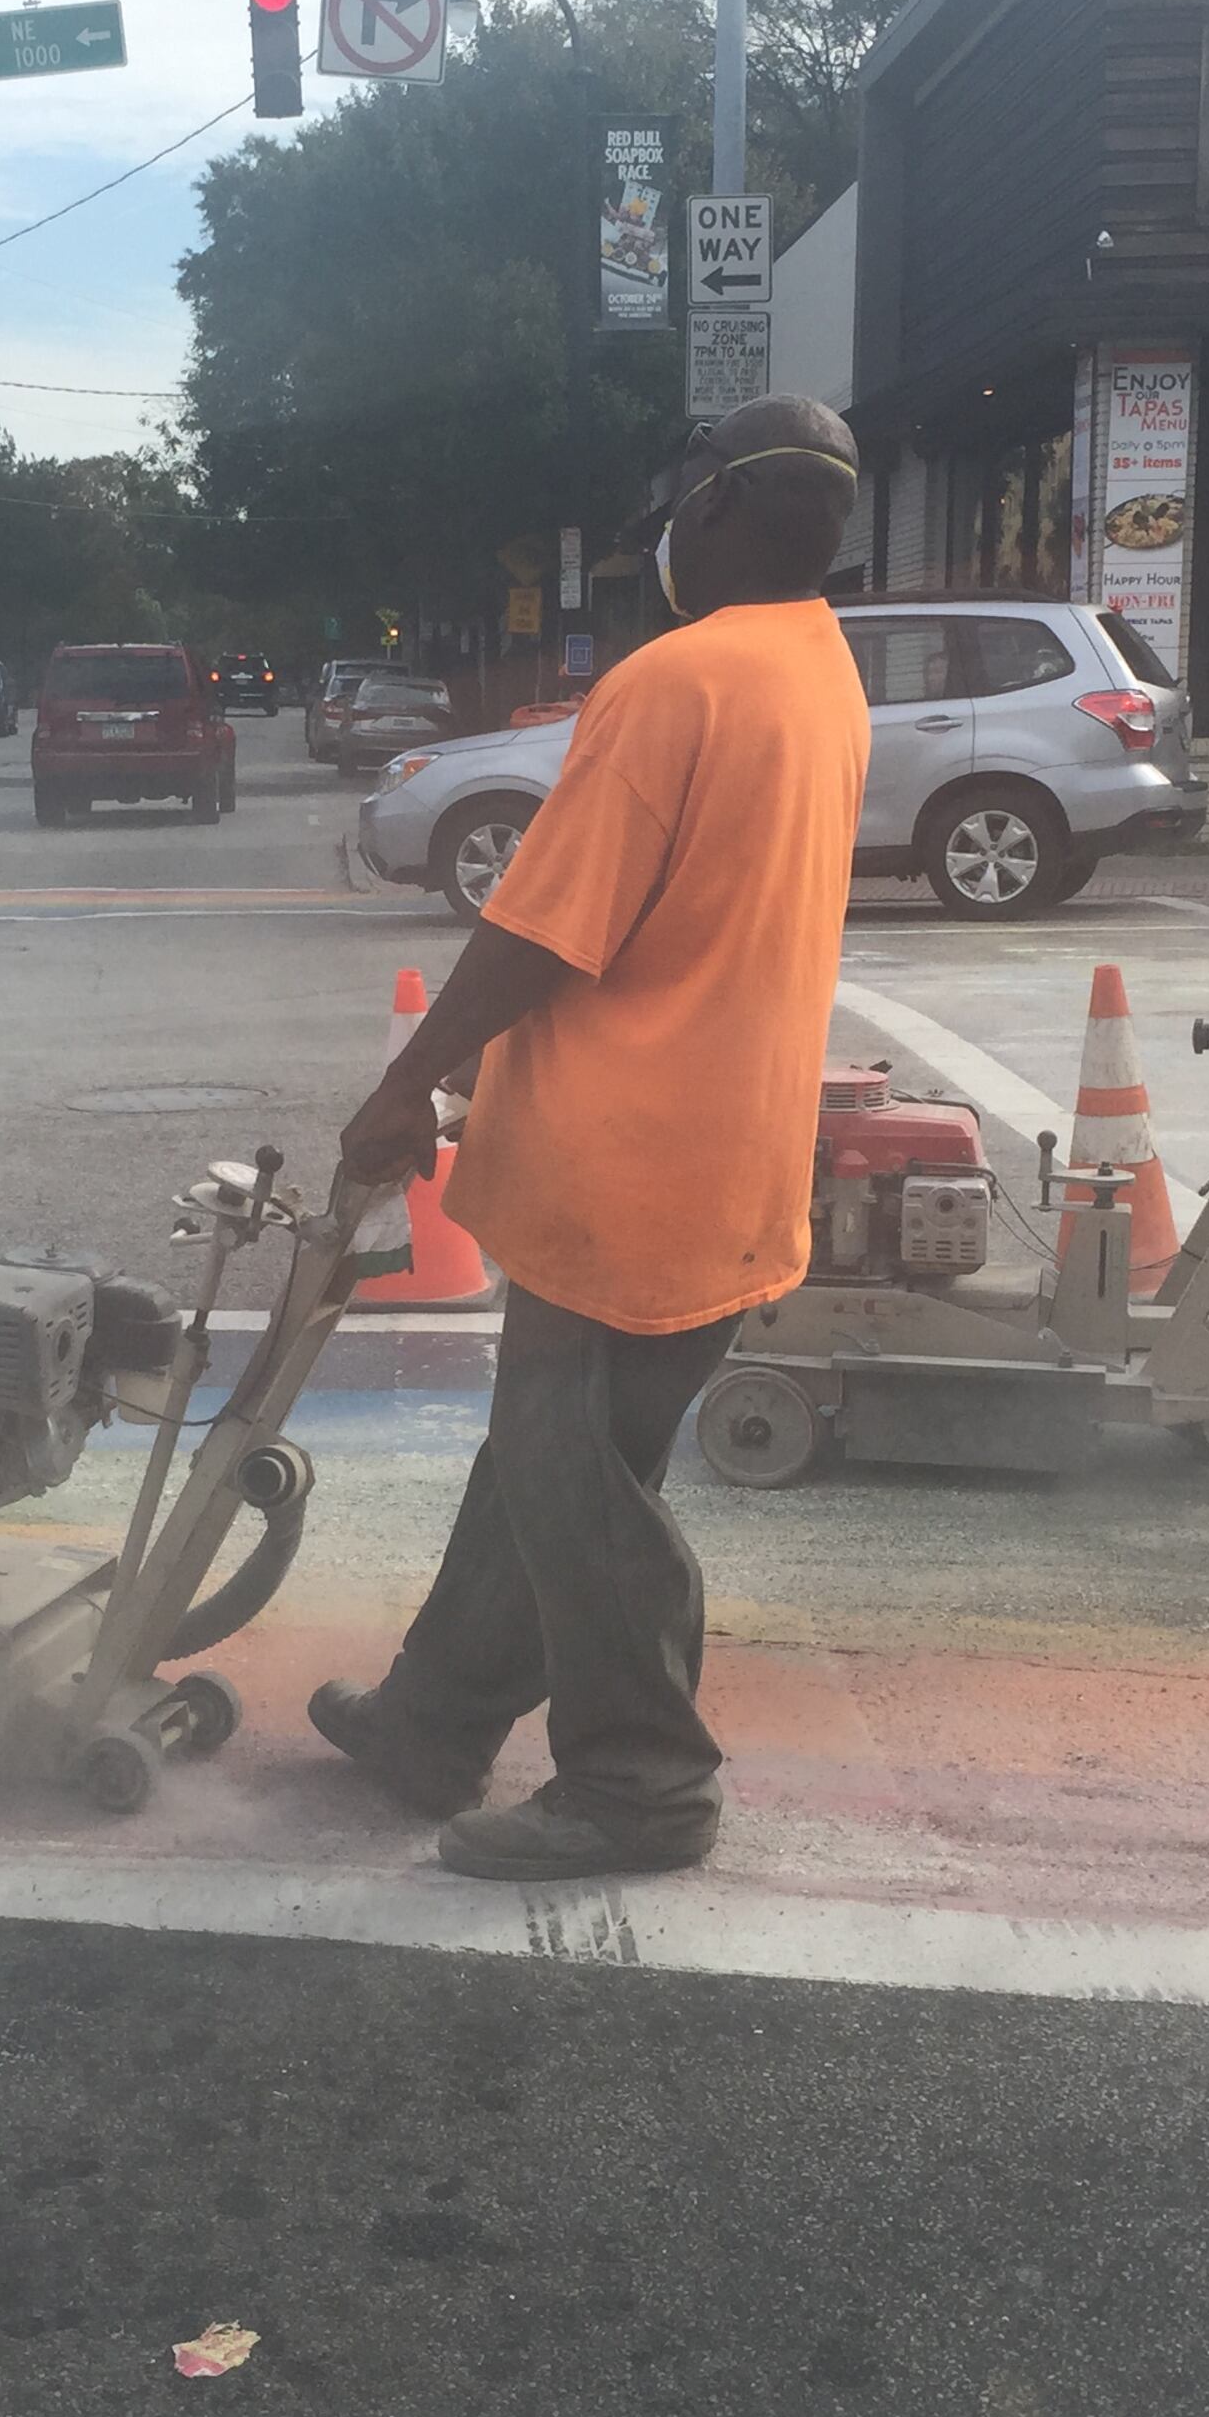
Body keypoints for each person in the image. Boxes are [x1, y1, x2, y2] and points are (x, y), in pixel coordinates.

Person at [316, 396, 869, 1880]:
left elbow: (545, 925)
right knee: (549, 1463)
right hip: (728, 1151)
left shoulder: (677, 681)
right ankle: (433, 1720)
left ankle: (642, 1784)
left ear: (726, 510)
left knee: (578, 1494)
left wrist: (404, 1086)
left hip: (625, 1165)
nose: (669, 537)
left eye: (681, 509)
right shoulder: (821, 672)